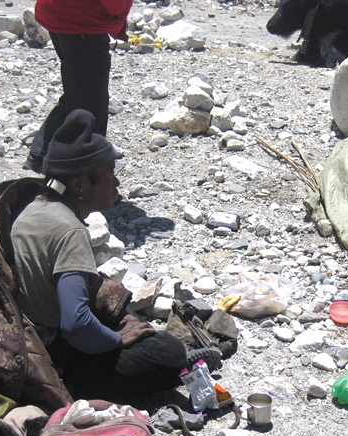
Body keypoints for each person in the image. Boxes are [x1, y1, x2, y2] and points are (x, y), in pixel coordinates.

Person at [12, 109, 216, 402]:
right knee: (167, 352)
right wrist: (116, 339)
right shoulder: (70, 231)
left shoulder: (35, 209)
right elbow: (76, 324)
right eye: (110, 174)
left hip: (26, 335)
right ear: (80, 185)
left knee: (126, 314)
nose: (117, 184)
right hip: (52, 354)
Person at [24, 0, 132, 173]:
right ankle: (87, 171)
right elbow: (115, 4)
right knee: (91, 103)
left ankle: (43, 154)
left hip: (62, 15)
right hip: (80, 21)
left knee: (79, 91)